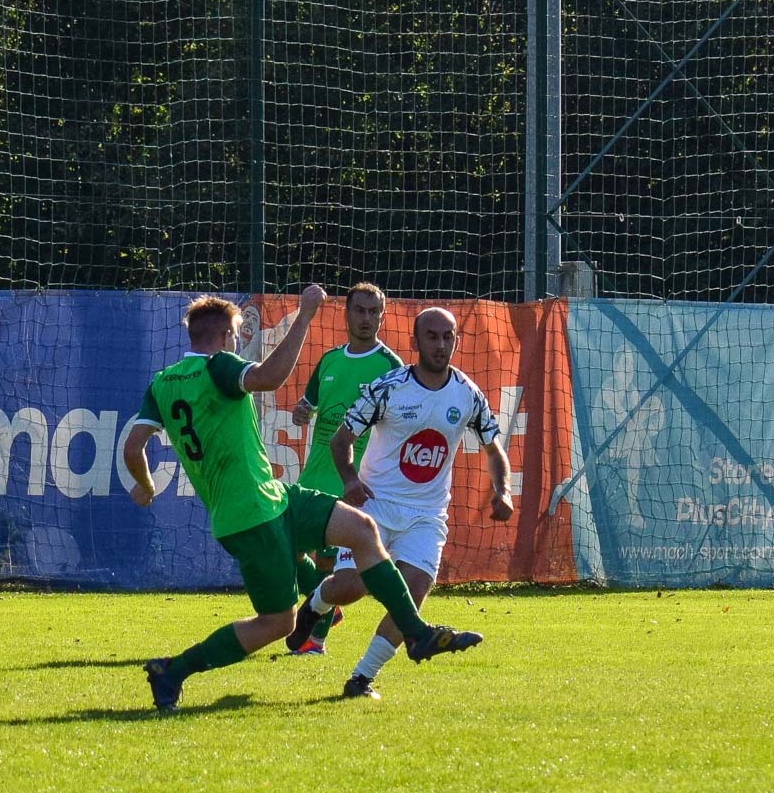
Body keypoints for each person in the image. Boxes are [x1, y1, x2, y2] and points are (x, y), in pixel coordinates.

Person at [119, 288, 482, 712]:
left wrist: (146, 486)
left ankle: (416, 633)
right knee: (278, 621)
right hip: (251, 516)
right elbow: (270, 377)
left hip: (274, 497)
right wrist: (305, 316)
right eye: (236, 337)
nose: (237, 345)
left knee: (362, 529)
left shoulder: (161, 383)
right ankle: (174, 670)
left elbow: (133, 447)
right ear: (225, 336)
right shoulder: (218, 365)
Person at [285, 306, 513, 700]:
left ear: (457, 341)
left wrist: (503, 490)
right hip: (376, 505)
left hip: (427, 515)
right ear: (415, 341)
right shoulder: (389, 387)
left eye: (448, 337)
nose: (440, 344)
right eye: (432, 336)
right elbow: (341, 440)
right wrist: (350, 479)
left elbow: (494, 450)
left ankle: (361, 679)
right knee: (351, 587)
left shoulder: (468, 393)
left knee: (414, 590)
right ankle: (316, 605)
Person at [285, 281, 402, 654]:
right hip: (314, 474)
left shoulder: (391, 367)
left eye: (374, 311)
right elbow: (309, 404)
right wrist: (302, 410)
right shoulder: (330, 360)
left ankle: (314, 641)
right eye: (360, 310)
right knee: (285, 548)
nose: (367, 318)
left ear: (382, 316)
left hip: (354, 480)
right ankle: (327, 607)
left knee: (328, 561)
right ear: (346, 314)